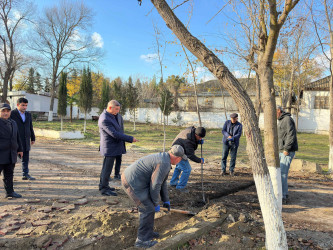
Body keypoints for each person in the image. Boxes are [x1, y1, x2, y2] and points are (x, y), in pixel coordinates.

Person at [122, 145, 186, 248]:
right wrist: (156, 203)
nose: (180, 161)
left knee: (149, 206)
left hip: (138, 181)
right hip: (132, 182)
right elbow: (155, 185)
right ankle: (142, 241)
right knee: (147, 208)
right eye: (181, 159)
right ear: (177, 158)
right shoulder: (164, 163)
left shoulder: (165, 159)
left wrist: (166, 200)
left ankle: (148, 233)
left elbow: (162, 183)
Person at [98, 100, 138, 196]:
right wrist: (130, 138)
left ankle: (104, 185)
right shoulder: (104, 119)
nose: (118, 111)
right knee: (106, 169)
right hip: (109, 148)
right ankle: (104, 189)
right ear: (110, 107)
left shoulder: (115, 116)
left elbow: (120, 130)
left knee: (107, 169)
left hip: (116, 146)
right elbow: (114, 134)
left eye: (119, 109)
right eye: (116, 109)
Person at [169, 126, 206, 192]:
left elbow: (193, 140)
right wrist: (199, 160)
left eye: (201, 138)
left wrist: (198, 141)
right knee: (187, 169)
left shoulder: (192, 131)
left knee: (179, 167)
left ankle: (173, 182)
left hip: (177, 147)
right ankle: (181, 187)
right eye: (200, 137)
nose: (200, 139)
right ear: (195, 134)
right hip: (177, 151)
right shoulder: (188, 140)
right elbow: (190, 155)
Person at [0, 103, 23, 198]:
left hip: (11, 154)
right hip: (0, 154)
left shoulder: (13, 122)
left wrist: (20, 149)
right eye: (3, 111)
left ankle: (10, 192)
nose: (6, 113)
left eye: (7, 111)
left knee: (9, 174)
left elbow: (17, 137)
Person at [10, 97, 36, 180]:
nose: (25, 107)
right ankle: (9, 176)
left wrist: (32, 137)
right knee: (12, 160)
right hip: (15, 140)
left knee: (25, 158)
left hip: (25, 140)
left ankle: (25, 174)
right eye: (23, 105)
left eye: (26, 105)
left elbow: (30, 126)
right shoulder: (12, 114)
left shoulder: (28, 114)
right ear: (18, 105)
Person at [276, 106, 298, 204]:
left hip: (287, 151)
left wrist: (286, 149)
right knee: (280, 173)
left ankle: (283, 196)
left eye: (274, 112)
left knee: (283, 174)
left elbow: (291, 135)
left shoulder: (287, 119)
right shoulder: (281, 120)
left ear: (279, 111)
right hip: (281, 150)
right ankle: (282, 194)